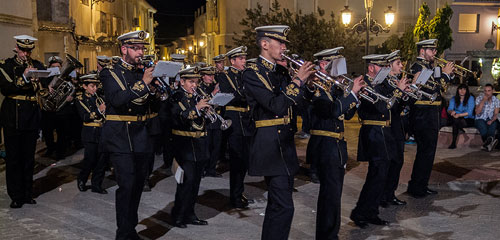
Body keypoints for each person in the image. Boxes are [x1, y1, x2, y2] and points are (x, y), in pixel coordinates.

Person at [242, 25, 315, 240]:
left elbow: (300, 106)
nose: (284, 47)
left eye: (284, 43)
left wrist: (307, 86)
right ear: (265, 44)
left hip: (284, 144)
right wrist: (298, 81)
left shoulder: (281, 71)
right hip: (269, 146)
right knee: (284, 206)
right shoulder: (252, 73)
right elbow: (275, 105)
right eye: (280, 43)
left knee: (277, 205)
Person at [99, 30, 158, 239]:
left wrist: (157, 86)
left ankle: (130, 227)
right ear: (124, 49)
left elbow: (153, 102)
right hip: (119, 136)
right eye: (136, 48)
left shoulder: (139, 71)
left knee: (138, 184)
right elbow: (117, 99)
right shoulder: (110, 72)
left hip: (140, 135)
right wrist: (144, 83)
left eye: (142, 48)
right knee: (126, 184)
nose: (140, 52)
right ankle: (123, 233)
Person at [305, 47, 363, 239]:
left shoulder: (332, 87)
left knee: (334, 195)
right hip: (324, 147)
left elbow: (346, 114)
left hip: (336, 147)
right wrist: (350, 95)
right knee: (329, 196)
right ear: (323, 64)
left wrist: (355, 98)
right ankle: (327, 235)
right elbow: (330, 111)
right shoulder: (315, 87)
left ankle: (331, 234)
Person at [350, 53, 408, 228]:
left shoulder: (382, 84)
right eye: (381, 66)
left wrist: (404, 95)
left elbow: (394, 108)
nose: (385, 69)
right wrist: (398, 92)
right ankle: (360, 212)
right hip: (374, 133)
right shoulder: (365, 84)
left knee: (380, 177)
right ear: (371, 67)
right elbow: (381, 106)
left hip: (385, 133)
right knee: (376, 176)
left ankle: (370, 211)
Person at [0, 35, 46, 208]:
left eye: (28, 51)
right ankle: (16, 195)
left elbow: (44, 89)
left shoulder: (38, 65)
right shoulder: (6, 65)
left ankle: (27, 193)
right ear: (16, 49)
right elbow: (6, 88)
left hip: (32, 115)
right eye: (23, 50)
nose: (26, 54)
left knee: (28, 157)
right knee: (14, 158)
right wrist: (25, 77)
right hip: (13, 116)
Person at [407, 39, 454, 198]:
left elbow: (441, 89)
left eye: (435, 50)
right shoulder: (417, 67)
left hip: (431, 114)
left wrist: (446, 75)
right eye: (431, 50)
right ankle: (416, 187)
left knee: (429, 153)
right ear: (422, 51)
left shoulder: (431, 67)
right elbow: (433, 87)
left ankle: (422, 184)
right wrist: (445, 74)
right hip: (423, 115)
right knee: (424, 152)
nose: (435, 53)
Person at [169, 67, 210, 228]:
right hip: (184, 146)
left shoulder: (197, 97)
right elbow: (180, 117)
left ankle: (190, 213)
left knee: (196, 183)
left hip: (199, 145)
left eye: (196, 81)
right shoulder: (176, 97)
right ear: (182, 82)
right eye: (191, 82)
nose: (194, 85)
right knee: (186, 183)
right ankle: (178, 215)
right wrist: (197, 108)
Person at [219, 46, 254, 208]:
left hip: (246, 120)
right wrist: (245, 94)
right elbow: (231, 96)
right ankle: (235, 196)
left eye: (244, 58)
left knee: (245, 160)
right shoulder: (225, 76)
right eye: (241, 59)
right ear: (232, 61)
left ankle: (239, 191)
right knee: (237, 161)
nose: (244, 61)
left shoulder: (245, 75)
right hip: (234, 121)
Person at [380, 50, 414, 208]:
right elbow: (389, 107)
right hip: (389, 128)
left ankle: (390, 193)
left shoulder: (396, 81)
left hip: (399, 126)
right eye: (398, 63)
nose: (401, 66)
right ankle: (384, 195)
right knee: (391, 162)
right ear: (389, 65)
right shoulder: (384, 83)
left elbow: (400, 106)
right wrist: (399, 92)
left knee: (398, 162)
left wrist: (407, 95)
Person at [75, 74, 107, 194]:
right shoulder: (80, 99)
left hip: (102, 132)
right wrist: (99, 110)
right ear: (84, 86)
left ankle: (96, 184)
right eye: (92, 86)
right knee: (90, 159)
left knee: (102, 160)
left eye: (96, 86)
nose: (95, 89)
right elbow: (85, 116)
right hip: (90, 132)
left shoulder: (100, 97)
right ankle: (82, 179)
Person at [198, 66, 223, 177]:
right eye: (209, 75)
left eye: (213, 75)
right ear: (203, 76)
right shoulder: (199, 88)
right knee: (206, 146)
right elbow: (201, 100)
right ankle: (202, 169)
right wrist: (213, 93)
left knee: (216, 146)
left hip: (216, 119)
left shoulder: (215, 85)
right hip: (206, 120)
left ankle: (211, 169)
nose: (212, 77)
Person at [40, 55, 63, 158]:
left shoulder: (65, 76)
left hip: (60, 108)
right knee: (47, 130)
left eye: (57, 66)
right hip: (48, 108)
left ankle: (60, 151)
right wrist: (47, 87)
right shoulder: (45, 77)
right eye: (53, 66)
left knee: (61, 131)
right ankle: (50, 148)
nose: (56, 69)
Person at [447, 84, 475, 149]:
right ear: (458, 90)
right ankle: (455, 139)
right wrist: (451, 112)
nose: (462, 91)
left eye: (464, 89)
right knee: (455, 121)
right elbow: (449, 109)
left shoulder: (470, 98)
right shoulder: (454, 98)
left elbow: (469, 112)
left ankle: (453, 143)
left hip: (468, 118)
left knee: (455, 122)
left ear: (466, 91)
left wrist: (459, 115)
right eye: (460, 89)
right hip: (456, 117)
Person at [474, 84, 499, 151]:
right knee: (483, 127)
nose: (487, 93)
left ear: (492, 91)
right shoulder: (479, 98)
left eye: (489, 91)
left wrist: (492, 120)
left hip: (491, 118)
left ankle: (487, 144)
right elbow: (477, 112)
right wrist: (483, 101)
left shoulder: (496, 100)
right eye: (485, 91)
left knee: (493, 125)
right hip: (480, 118)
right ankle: (490, 143)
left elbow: (496, 114)